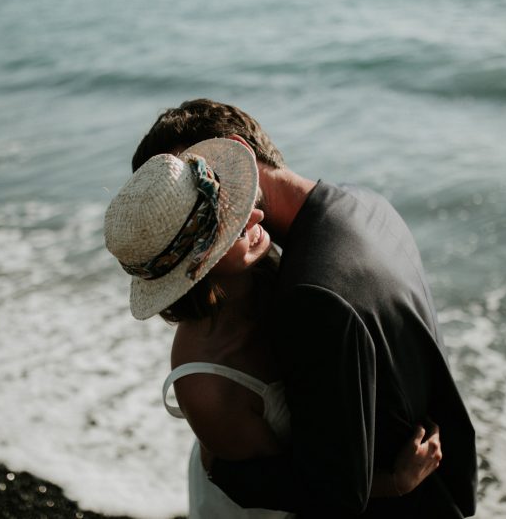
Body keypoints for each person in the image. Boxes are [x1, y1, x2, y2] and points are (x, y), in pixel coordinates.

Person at [129, 99, 478, 518]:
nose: (237, 211)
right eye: (200, 212)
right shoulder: (362, 202)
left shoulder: (296, 281)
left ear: (239, 152)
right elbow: (318, 487)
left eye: (207, 183)